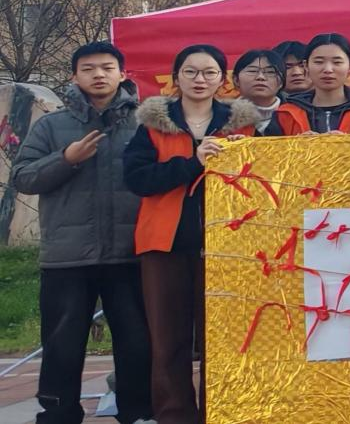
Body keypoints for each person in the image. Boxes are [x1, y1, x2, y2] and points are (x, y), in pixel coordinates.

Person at [12, 41, 153, 424]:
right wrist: (65, 159)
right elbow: (22, 177)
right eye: (88, 68)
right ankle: (58, 414)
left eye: (107, 67)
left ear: (122, 73)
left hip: (130, 252)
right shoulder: (51, 125)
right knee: (62, 344)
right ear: (74, 76)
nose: (98, 75)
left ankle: (139, 413)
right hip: (67, 256)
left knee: (137, 341)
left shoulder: (145, 122)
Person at [123, 44, 259, 424]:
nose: (200, 79)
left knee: (223, 339)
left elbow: (267, 178)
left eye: (209, 72)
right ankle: (174, 415)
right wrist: (191, 164)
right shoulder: (154, 124)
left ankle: (222, 413)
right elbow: (137, 179)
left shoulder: (242, 124)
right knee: (168, 340)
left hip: (229, 247)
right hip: (164, 245)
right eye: (191, 72)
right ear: (176, 77)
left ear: (222, 80)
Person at [270, 34, 350, 135]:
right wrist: (294, 149)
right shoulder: (285, 115)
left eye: (337, 62)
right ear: (306, 66)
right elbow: (268, 157)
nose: (328, 69)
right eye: (319, 62)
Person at [233, 49, 285, 135]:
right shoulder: (221, 116)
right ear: (236, 80)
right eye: (252, 71)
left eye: (270, 72)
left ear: (281, 82)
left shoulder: (297, 114)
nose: (261, 77)